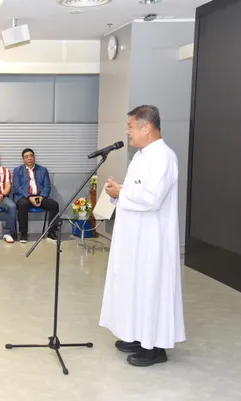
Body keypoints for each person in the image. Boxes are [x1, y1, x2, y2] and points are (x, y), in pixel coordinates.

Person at [99, 105, 185, 367]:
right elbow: (138, 190)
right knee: (136, 287)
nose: (127, 132)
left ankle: (155, 348)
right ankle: (139, 336)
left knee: (151, 289)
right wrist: (120, 190)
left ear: (146, 127)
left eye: (130, 126)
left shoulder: (163, 157)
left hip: (152, 240)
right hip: (135, 238)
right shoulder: (141, 155)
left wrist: (121, 194)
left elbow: (152, 199)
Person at [12, 148, 60, 243]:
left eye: (31, 156)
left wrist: (41, 197)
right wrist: (29, 197)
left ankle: (51, 232)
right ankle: (23, 233)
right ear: (23, 159)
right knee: (22, 204)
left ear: (34, 157)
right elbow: (17, 187)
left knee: (54, 205)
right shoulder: (17, 170)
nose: (29, 158)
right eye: (26, 157)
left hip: (40, 196)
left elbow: (47, 186)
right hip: (25, 197)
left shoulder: (43, 170)